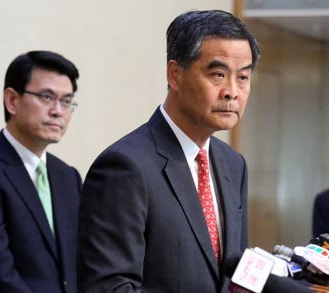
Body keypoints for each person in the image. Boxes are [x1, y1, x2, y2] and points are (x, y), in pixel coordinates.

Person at [77, 10, 260, 292]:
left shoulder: (233, 164)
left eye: (243, 78)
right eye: (218, 74)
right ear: (175, 75)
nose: (232, 92)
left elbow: (236, 274)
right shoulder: (124, 167)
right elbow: (110, 287)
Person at [0, 50, 81, 293]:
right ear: (12, 100)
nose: (58, 111)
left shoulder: (68, 177)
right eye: (47, 97)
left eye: (66, 101)